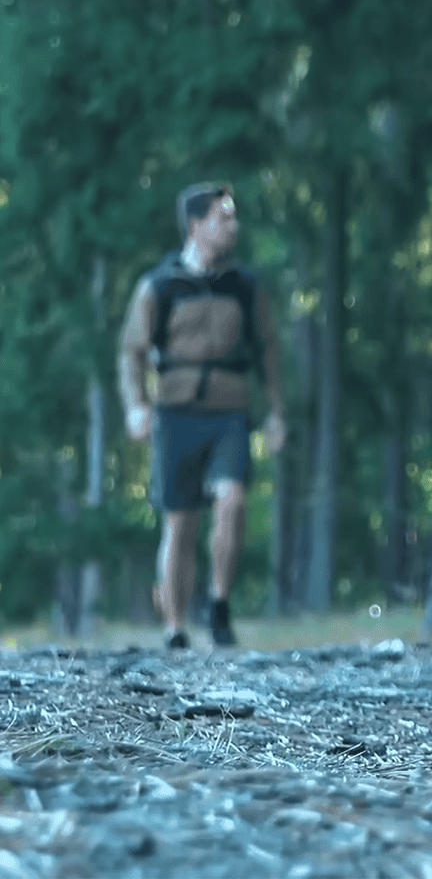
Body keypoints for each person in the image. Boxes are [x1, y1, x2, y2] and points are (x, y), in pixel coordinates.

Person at [117, 182, 286, 649]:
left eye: (233, 217)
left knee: (232, 501)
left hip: (230, 412)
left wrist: (276, 412)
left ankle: (219, 604)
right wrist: (136, 405)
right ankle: (174, 627)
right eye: (223, 217)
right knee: (180, 522)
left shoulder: (246, 286)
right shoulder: (159, 285)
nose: (234, 225)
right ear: (197, 226)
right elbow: (131, 351)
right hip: (175, 411)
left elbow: (268, 350)